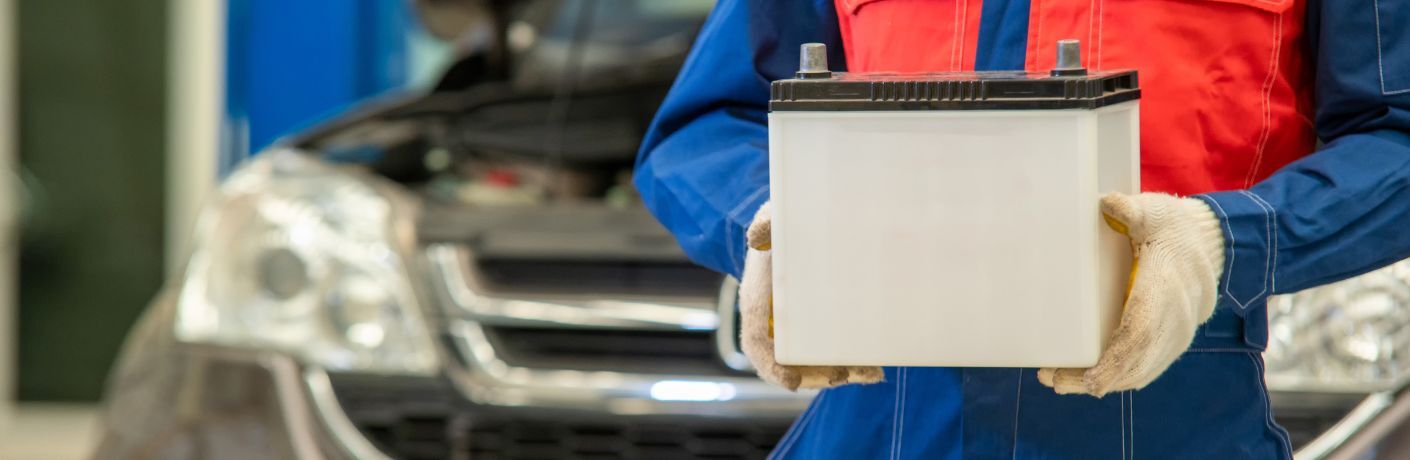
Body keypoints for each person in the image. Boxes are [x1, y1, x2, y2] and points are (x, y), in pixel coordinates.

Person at [635, 0, 1410, 458]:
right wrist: (775, 226)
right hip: (878, 420)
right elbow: (705, 125)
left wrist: (1224, 241)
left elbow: (1397, 135)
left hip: (1173, 408)